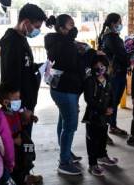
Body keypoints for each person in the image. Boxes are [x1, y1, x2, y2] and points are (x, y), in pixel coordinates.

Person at [44, 14, 85, 175]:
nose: (74, 28)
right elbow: (69, 62)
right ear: (61, 29)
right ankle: (64, 162)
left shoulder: (62, 41)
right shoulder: (59, 43)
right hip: (65, 89)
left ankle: (66, 152)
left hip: (65, 88)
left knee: (63, 120)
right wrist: (80, 53)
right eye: (70, 25)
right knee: (70, 125)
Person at [0, 3, 46, 137]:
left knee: (26, 146)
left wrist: (40, 66)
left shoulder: (21, 39)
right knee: (20, 149)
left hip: (26, 104)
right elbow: (11, 79)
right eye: (36, 27)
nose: (37, 31)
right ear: (25, 22)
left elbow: (25, 66)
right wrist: (20, 109)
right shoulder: (12, 43)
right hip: (19, 109)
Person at [0, 83, 42, 185]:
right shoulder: (1, 117)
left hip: (20, 138)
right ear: (5, 102)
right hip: (11, 143)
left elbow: (23, 115)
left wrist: (31, 117)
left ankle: (27, 174)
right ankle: (20, 179)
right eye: (16, 98)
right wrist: (13, 141)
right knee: (15, 164)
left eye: (19, 97)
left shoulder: (15, 110)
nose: (19, 101)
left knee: (27, 155)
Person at [82, 55, 118, 177]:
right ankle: (92, 164)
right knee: (92, 140)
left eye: (102, 66)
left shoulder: (108, 79)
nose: (100, 69)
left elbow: (112, 95)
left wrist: (112, 108)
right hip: (93, 116)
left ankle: (102, 156)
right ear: (92, 68)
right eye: (96, 67)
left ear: (106, 67)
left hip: (105, 116)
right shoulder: (90, 81)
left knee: (103, 137)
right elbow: (89, 100)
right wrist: (103, 110)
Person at [98, 13, 128, 144]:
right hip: (113, 75)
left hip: (119, 73)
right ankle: (103, 132)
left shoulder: (114, 36)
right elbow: (120, 54)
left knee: (114, 103)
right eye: (119, 22)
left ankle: (113, 126)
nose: (121, 24)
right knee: (109, 103)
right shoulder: (110, 38)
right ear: (112, 24)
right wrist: (130, 58)